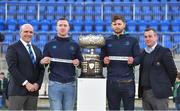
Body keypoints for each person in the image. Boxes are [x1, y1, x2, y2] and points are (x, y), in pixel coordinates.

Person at [40, 17, 83, 110]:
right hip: (54, 84)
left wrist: (78, 62)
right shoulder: (49, 44)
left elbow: (81, 63)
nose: (62, 27)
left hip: (70, 84)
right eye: (60, 25)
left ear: (68, 28)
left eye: (65, 25)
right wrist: (44, 61)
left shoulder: (75, 45)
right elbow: (44, 63)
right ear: (56, 27)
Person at [101, 15, 141, 110]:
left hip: (128, 82)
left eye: (119, 24)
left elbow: (139, 58)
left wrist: (133, 60)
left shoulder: (133, 40)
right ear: (111, 26)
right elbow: (101, 60)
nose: (117, 26)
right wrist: (104, 61)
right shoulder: (106, 41)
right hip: (112, 82)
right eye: (115, 24)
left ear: (124, 25)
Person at [5, 24, 45, 110]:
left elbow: (41, 70)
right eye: (26, 31)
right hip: (17, 91)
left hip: (33, 92)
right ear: (20, 33)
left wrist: (37, 83)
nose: (28, 34)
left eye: (31, 32)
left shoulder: (37, 50)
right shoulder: (13, 48)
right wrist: (26, 83)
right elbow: (12, 68)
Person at [138, 27, 177, 110]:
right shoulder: (143, 53)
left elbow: (173, 72)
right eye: (145, 37)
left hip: (160, 94)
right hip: (145, 93)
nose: (147, 39)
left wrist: (164, 86)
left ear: (156, 37)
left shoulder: (164, 51)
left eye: (150, 36)